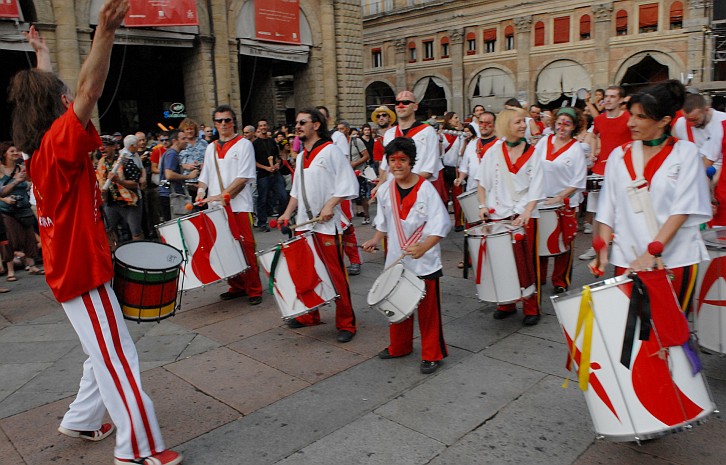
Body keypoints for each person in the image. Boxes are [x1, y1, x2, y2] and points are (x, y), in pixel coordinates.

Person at [7, 2, 183, 464]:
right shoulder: (58, 147)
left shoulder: (37, 152)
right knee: (118, 357)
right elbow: (89, 88)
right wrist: (104, 31)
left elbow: (56, 94)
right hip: (82, 273)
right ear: (53, 107)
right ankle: (138, 450)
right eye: (57, 94)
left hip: (72, 271)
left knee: (100, 349)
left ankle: (83, 419)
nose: (68, 97)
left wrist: (41, 53)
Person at [591, 80, 710, 316]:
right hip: (628, 258)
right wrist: (602, 250)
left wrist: (652, 253)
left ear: (664, 121)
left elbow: (683, 209)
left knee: (670, 336)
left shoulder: (686, 153)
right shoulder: (619, 155)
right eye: (631, 114)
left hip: (674, 258)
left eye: (641, 117)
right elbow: (607, 207)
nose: (631, 122)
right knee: (628, 338)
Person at [362, 137, 451, 374]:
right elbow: (383, 223)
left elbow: (441, 225)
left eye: (402, 160)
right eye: (392, 160)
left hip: (425, 261)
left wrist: (424, 247)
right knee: (397, 303)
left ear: (411, 162)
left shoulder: (426, 189)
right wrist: (374, 240)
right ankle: (399, 346)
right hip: (397, 259)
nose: (397, 165)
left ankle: (432, 353)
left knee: (428, 309)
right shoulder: (385, 191)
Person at [277, 108, 359, 343]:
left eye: (303, 122)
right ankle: (309, 316)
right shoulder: (301, 155)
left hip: (327, 225)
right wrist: (286, 213)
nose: (298, 126)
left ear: (316, 125)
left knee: (335, 275)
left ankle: (347, 323)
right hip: (305, 224)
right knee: (307, 272)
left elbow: (348, 184)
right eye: (296, 123)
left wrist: (330, 205)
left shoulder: (331, 151)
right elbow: (296, 191)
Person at [476, 107, 544, 326]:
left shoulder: (533, 152)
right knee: (500, 262)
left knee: (526, 263)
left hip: (524, 215)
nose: (523, 125)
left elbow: (537, 186)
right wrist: (482, 205)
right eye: (518, 122)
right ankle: (505, 303)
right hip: (499, 215)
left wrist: (527, 211)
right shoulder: (493, 152)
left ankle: (531, 306)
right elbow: (482, 182)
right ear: (506, 125)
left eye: (524, 121)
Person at [195, 105, 263, 305]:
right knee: (224, 247)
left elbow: (243, 178)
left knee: (246, 247)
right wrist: (200, 193)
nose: (223, 124)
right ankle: (236, 285)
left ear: (234, 122)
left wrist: (221, 196)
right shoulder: (211, 147)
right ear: (215, 124)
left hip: (239, 205)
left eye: (227, 120)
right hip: (216, 208)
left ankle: (254, 288)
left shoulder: (244, 145)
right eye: (219, 121)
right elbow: (205, 175)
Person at [534, 107, 587, 293]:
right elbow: (532, 164)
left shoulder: (576, 149)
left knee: (563, 243)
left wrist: (559, 197)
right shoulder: (544, 142)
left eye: (567, 124)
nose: (562, 127)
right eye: (559, 123)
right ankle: (539, 276)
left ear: (574, 127)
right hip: (541, 201)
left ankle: (560, 281)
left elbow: (578, 180)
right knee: (540, 241)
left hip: (564, 203)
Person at [580, 86, 631, 259]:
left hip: (623, 171)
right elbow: (593, 136)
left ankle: (623, 247)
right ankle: (596, 248)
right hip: (600, 169)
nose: (608, 100)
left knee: (623, 212)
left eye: (612, 97)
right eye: (606, 97)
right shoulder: (600, 119)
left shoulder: (628, 118)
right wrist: (594, 153)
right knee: (596, 212)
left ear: (621, 100)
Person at [376, 91, 443, 194]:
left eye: (406, 102)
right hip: (393, 192)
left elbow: (430, 167)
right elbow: (386, 167)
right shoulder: (389, 134)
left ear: (415, 106)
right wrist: (379, 186)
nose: (401, 106)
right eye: (397, 103)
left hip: (418, 190)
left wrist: (407, 186)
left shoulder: (427, 132)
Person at [0, 141, 43, 278]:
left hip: (24, 208)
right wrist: (16, 182)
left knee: (29, 237)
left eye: (16, 151)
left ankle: (32, 265)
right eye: (11, 151)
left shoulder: (22, 167)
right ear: (4, 154)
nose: (15, 153)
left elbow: (31, 183)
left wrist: (29, 183)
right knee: (10, 239)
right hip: (7, 210)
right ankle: (10, 271)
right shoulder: (0, 170)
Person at [96, 135, 144, 246]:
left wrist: (119, 180)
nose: (102, 149)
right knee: (108, 231)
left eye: (106, 146)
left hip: (130, 203)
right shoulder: (100, 164)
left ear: (114, 147)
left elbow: (136, 184)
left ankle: (140, 256)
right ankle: (114, 258)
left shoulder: (126, 161)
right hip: (111, 203)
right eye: (101, 146)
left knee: (136, 233)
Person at [455, 112, 498, 228]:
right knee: (474, 231)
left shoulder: (499, 145)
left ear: (494, 125)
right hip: (473, 192)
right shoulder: (472, 144)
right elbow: (465, 166)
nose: (484, 125)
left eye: (488, 123)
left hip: (493, 195)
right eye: (481, 122)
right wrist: (460, 178)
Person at [672, 92, 726, 167]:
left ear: (706, 110)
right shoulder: (681, 124)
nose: (691, 124)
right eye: (687, 119)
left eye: (694, 120)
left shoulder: (722, 121)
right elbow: (672, 147)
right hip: (694, 169)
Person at [253, 118, 288, 232]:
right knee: (262, 199)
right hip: (263, 175)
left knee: (283, 196)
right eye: (261, 126)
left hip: (275, 173)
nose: (263, 127)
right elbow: (253, 162)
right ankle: (262, 223)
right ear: (258, 128)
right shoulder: (255, 144)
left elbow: (277, 156)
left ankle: (281, 219)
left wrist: (277, 164)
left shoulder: (272, 141)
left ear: (267, 127)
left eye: (264, 125)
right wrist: (266, 168)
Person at [158, 130, 198, 222]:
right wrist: (189, 177)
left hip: (169, 195)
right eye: (183, 138)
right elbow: (169, 174)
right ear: (174, 141)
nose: (186, 141)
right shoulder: (172, 154)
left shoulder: (171, 153)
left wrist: (186, 167)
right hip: (171, 196)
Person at [439, 112, 465, 231]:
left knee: (457, 196)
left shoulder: (460, 134)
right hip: (445, 168)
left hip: (456, 168)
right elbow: (441, 150)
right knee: (444, 196)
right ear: (449, 120)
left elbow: (461, 152)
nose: (457, 120)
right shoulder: (444, 135)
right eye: (455, 118)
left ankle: (458, 222)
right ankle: (442, 221)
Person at [178, 118, 208, 207]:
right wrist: (186, 166)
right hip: (187, 183)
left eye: (191, 129)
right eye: (187, 129)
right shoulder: (180, 144)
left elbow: (209, 159)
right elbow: (176, 163)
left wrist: (203, 165)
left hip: (203, 181)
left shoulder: (204, 143)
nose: (189, 131)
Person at [370, 105, 396, 172]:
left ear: (390, 118)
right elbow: (381, 164)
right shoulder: (378, 142)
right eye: (378, 116)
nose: (381, 118)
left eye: (384, 115)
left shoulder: (398, 133)